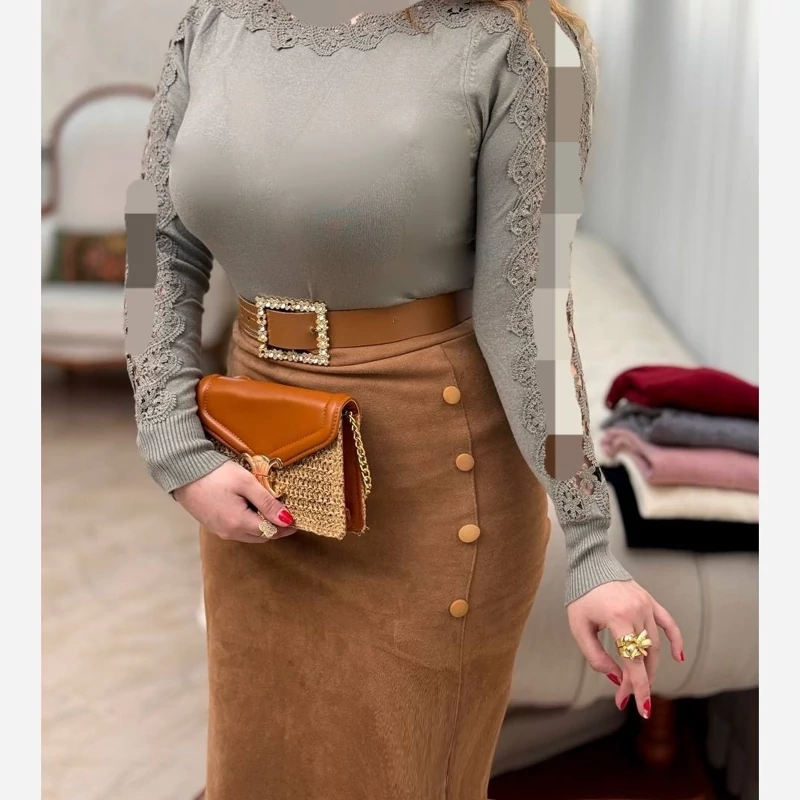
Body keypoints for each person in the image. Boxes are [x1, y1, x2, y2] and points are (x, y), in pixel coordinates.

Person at [125, 1, 684, 798]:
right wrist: (176, 446)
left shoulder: (528, 45)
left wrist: (591, 541)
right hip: (259, 468)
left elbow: (527, 314)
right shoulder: (213, 23)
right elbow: (156, 241)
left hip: (433, 489)